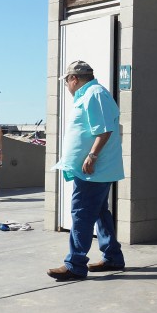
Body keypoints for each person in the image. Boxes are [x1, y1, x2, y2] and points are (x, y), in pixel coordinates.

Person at [47, 60, 126, 280]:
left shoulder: (94, 94)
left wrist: (92, 156)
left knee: (81, 213)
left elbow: (105, 130)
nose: (67, 87)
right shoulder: (90, 94)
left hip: (94, 170)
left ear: (74, 79)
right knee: (100, 213)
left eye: (67, 82)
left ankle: (75, 264)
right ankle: (113, 257)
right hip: (94, 170)